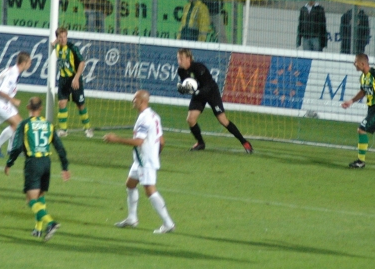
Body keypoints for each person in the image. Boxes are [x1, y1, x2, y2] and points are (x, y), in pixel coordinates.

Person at [104, 90, 175, 234]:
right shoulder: (154, 115)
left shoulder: (144, 119)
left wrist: (116, 139)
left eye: (135, 98)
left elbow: (138, 141)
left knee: (150, 190)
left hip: (144, 160)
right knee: (130, 184)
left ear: (142, 101)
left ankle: (168, 223)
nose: (133, 100)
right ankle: (132, 217)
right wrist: (155, 154)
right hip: (142, 159)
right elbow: (162, 141)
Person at [5, 97, 69, 241]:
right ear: (40, 109)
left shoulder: (25, 124)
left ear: (28, 107)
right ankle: (38, 229)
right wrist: (65, 167)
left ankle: (50, 223)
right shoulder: (48, 124)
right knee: (40, 196)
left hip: (33, 163)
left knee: (31, 200)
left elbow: (16, 147)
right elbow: (60, 147)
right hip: (46, 163)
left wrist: (9, 163)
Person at [176, 48, 252, 153]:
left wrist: (197, 92)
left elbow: (208, 86)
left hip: (211, 93)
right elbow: (187, 86)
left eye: (181, 58)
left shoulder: (199, 68)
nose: (179, 61)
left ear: (188, 58)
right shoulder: (181, 71)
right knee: (190, 119)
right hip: (198, 95)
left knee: (223, 121)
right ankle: (200, 143)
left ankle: (244, 142)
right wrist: (183, 90)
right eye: (178, 59)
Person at [0, 52, 32, 158]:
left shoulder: (14, 71)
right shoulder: (13, 74)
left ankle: (12, 150)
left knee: (19, 123)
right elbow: (2, 91)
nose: (30, 64)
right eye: (29, 62)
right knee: (17, 124)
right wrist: (13, 100)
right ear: (23, 63)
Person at [50, 28, 94, 138]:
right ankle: (63, 130)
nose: (63, 39)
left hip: (74, 79)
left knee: (80, 105)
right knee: (61, 103)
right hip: (63, 79)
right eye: (60, 37)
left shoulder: (72, 48)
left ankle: (88, 128)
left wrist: (76, 77)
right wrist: (55, 41)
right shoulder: (57, 46)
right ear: (58, 38)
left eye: (65, 36)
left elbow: (82, 62)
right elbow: (52, 44)